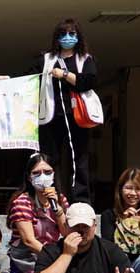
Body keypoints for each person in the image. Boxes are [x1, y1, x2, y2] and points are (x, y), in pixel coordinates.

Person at [35, 18, 98, 203]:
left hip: (77, 116)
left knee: (79, 159)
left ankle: (81, 201)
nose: (67, 37)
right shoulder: (47, 59)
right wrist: (7, 79)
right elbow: (31, 79)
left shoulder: (85, 59)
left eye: (72, 34)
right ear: (57, 37)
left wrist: (64, 74)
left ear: (78, 37)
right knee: (49, 158)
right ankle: (50, 198)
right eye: (63, 34)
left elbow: (89, 82)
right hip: (51, 116)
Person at [5, 153, 69, 273]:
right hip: (27, 256)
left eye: (47, 172)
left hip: (51, 251)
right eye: (36, 173)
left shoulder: (61, 199)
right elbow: (29, 241)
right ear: (29, 177)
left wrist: (57, 209)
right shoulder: (22, 202)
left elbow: (66, 233)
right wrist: (54, 259)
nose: (43, 176)